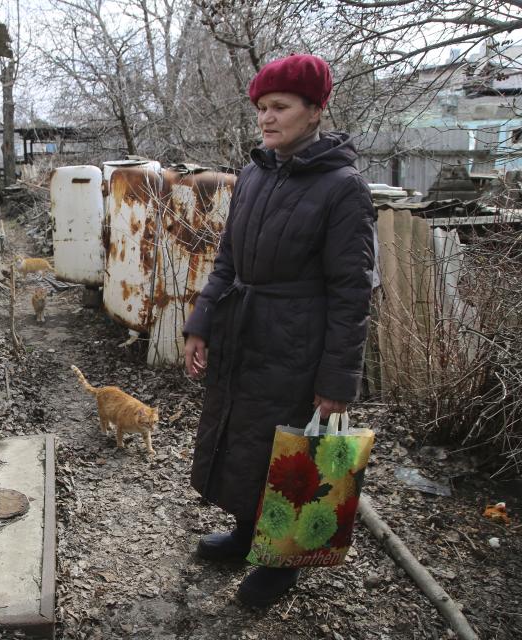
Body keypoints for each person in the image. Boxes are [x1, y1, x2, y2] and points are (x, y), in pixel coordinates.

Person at [182, 54, 376, 607]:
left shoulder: (343, 189)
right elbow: (227, 261)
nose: (267, 119)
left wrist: (337, 381)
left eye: (281, 107)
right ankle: (248, 535)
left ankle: (281, 565)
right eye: (262, 108)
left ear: (316, 110)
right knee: (247, 443)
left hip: (299, 343)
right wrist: (202, 324)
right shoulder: (253, 174)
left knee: (295, 455)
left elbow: (351, 292)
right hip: (246, 332)